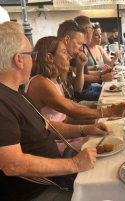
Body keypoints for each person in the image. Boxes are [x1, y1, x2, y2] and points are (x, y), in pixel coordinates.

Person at [0, 21, 108, 201]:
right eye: (32, 54)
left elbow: (48, 126)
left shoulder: (17, 92)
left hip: (59, 175)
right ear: (19, 59)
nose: (35, 59)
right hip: (39, 191)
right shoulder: (2, 102)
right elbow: (12, 164)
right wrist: (74, 163)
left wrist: (87, 129)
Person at [25, 36, 125, 151]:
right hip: (52, 141)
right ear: (49, 57)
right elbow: (72, 111)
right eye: (64, 52)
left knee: (111, 136)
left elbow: (71, 104)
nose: (69, 57)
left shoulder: (53, 79)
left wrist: (107, 111)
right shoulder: (40, 83)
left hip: (63, 133)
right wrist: (111, 111)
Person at [73, 16, 114, 101]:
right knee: (112, 98)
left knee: (117, 91)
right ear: (88, 30)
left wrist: (102, 73)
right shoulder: (76, 49)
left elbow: (84, 72)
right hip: (82, 93)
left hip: (89, 88)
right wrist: (101, 78)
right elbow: (78, 78)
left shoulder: (82, 46)